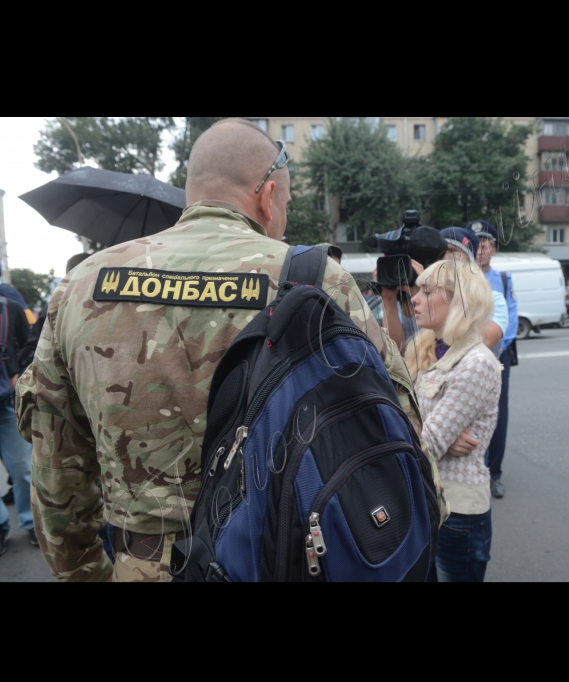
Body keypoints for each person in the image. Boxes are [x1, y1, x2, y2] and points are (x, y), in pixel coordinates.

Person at [16, 118, 427, 583]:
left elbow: (57, 466)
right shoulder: (317, 279)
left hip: (142, 562)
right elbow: (397, 422)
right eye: (286, 204)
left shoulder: (81, 286)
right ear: (268, 196)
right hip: (279, 557)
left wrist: (84, 573)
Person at [406, 260, 501, 583]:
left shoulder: (475, 363)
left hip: (457, 512)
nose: (415, 298)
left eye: (427, 291)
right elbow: (420, 429)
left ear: (459, 301)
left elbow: (426, 443)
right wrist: (436, 432)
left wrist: (431, 434)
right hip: (430, 502)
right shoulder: (432, 350)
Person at [474, 221, 518, 499]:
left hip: (496, 355)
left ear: (494, 250)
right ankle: (473, 468)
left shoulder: (502, 280)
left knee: (498, 414)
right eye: (477, 244)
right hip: (464, 356)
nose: (481, 250)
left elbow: (511, 319)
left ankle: (494, 473)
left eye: (486, 245)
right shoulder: (461, 278)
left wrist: (492, 347)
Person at [0, 293, 35, 556]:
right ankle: (1, 525)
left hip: (6, 402)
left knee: (22, 466)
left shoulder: (10, 308)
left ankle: (31, 522)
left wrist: (17, 374)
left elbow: (31, 346)